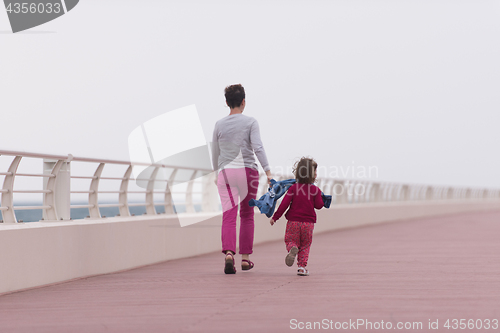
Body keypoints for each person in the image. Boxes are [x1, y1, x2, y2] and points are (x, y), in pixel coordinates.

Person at [212, 84, 272, 274]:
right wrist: (268, 172)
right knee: (247, 215)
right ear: (243, 101)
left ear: (227, 103)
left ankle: (229, 254)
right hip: (247, 172)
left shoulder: (219, 125)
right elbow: (258, 147)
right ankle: (245, 259)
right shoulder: (251, 122)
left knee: (229, 215)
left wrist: (216, 173)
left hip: (226, 173)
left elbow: (215, 152)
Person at [270, 157, 324, 276]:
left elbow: (284, 204)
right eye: (315, 172)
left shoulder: (293, 188)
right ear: (312, 175)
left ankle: (292, 248)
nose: (316, 174)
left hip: (293, 222)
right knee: (305, 245)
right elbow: (319, 205)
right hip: (308, 224)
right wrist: (322, 198)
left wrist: (275, 217)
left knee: (290, 240)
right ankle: (301, 267)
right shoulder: (315, 190)